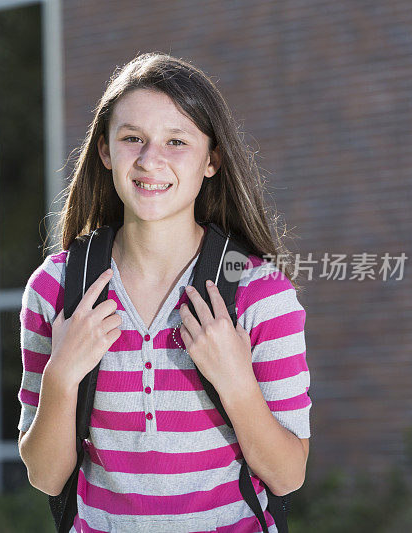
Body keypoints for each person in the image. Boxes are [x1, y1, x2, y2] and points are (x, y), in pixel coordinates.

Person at [17, 52, 311, 533]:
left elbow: (288, 474)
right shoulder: (55, 289)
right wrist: (62, 375)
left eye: (177, 141)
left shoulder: (261, 293)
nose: (150, 161)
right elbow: (47, 477)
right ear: (106, 151)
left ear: (211, 159)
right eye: (132, 138)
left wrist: (235, 380)